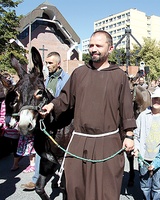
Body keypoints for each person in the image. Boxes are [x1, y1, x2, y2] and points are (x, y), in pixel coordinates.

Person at [40, 30, 136, 200]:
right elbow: (65, 98)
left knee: (105, 191)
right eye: (91, 45)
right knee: (75, 187)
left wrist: (128, 135)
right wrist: (51, 106)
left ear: (110, 48)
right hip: (80, 140)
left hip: (108, 142)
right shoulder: (79, 73)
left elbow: (126, 108)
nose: (93, 49)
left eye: (99, 45)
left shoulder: (119, 76)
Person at [21, 52, 70, 190]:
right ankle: (36, 179)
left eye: (50, 63)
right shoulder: (45, 79)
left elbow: (66, 100)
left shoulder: (66, 79)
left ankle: (62, 177)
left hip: (61, 119)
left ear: (58, 63)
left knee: (61, 151)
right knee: (40, 149)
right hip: (45, 119)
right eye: (46, 63)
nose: (47, 65)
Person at [133, 87, 160, 200]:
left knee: (157, 185)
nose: (157, 101)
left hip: (159, 158)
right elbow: (136, 134)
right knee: (144, 184)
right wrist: (136, 148)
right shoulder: (142, 116)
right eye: (155, 98)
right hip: (144, 156)